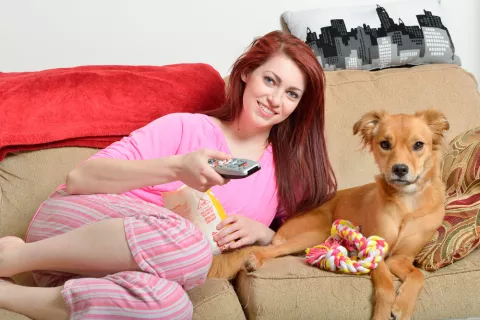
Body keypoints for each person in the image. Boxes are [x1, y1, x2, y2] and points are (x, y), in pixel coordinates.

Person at [0, 30, 337, 320]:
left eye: (292, 94)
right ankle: (15, 257)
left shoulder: (287, 172)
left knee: (172, 307)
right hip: (69, 227)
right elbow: (79, 179)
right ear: (248, 72)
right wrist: (178, 167)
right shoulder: (185, 127)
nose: (275, 100)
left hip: (111, 272)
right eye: (270, 80)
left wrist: (264, 233)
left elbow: (317, 234)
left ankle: (9, 294)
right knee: (191, 244)